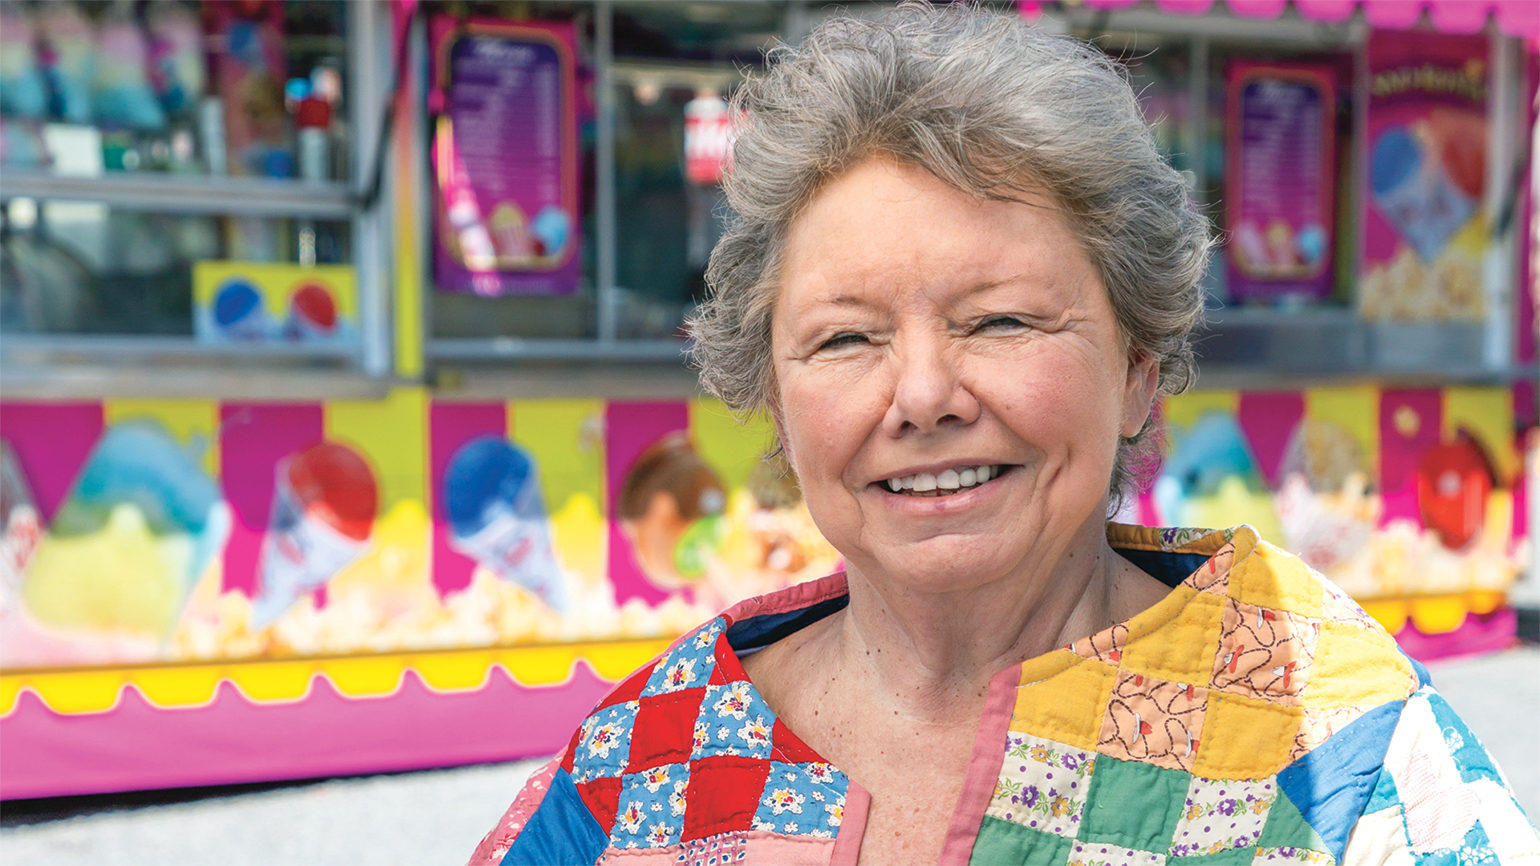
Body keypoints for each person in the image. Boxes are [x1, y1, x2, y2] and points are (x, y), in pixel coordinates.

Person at [472, 5, 1539, 864]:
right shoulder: (650, 761)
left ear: (1135, 372)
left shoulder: (1327, 731)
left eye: (1001, 320)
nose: (924, 394)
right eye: (845, 337)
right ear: (776, 400)